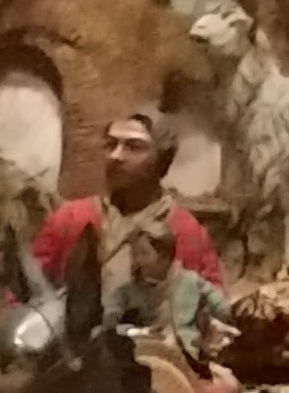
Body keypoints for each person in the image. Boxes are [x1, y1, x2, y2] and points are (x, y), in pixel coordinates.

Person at [33, 107, 229, 302]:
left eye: (134, 147)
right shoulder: (71, 218)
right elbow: (30, 289)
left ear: (163, 160)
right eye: (111, 145)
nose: (116, 156)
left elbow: (211, 301)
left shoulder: (186, 231)